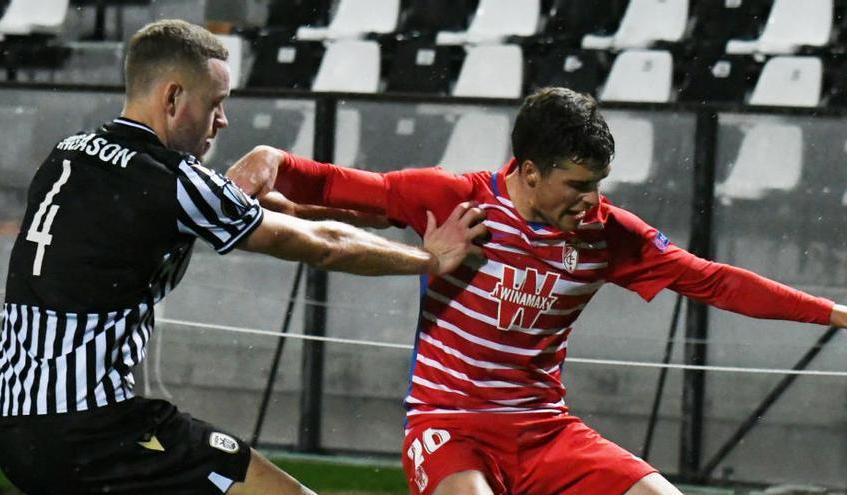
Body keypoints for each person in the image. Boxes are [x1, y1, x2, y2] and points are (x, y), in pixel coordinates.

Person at [227, 87, 847, 495]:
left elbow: (713, 281)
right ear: (528, 172)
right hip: (451, 428)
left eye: (599, 184)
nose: (593, 201)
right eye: (578, 184)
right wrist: (271, 160)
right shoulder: (456, 199)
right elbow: (341, 185)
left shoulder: (609, 234)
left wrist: (834, 312)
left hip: (546, 432)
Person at [0, 19, 487, 495]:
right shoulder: (174, 180)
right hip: (94, 430)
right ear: (174, 98)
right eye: (216, 104)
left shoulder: (70, 152)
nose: (223, 121)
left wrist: (379, 215)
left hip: (14, 427)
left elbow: (275, 212)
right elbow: (323, 246)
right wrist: (429, 261)